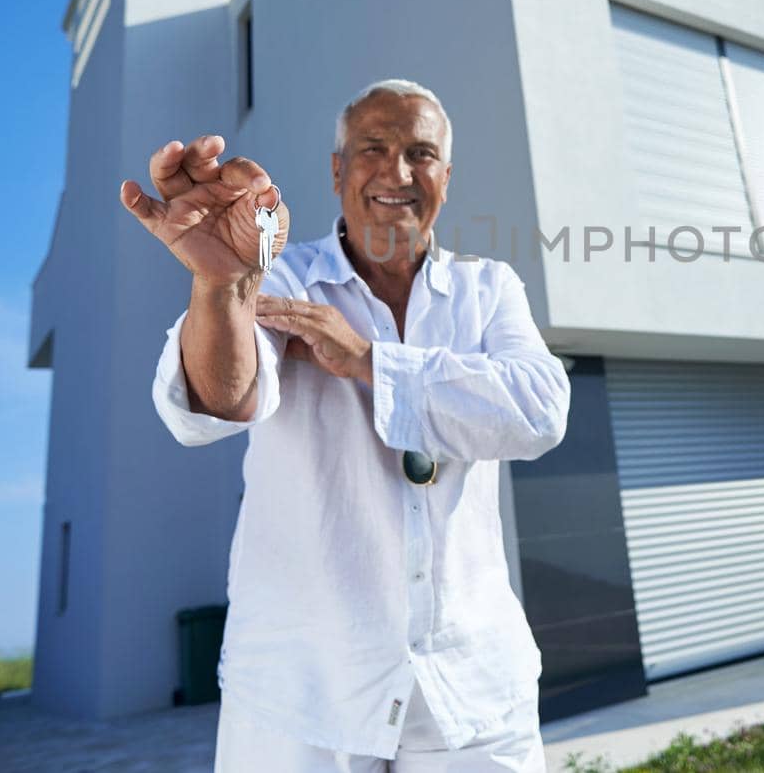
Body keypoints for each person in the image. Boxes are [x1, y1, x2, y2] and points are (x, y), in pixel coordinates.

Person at [119, 78, 570, 771]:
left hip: (475, 691)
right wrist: (221, 288)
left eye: (421, 153)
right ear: (336, 170)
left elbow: (540, 410)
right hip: (302, 697)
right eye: (373, 149)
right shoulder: (280, 276)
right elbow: (221, 401)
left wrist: (370, 361)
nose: (398, 172)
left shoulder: (490, 289)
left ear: (446, 176)